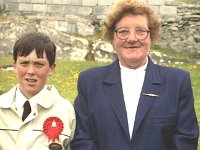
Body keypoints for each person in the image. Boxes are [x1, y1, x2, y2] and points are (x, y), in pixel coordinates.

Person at [70, 0, 199, 149]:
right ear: (113, 37)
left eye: (140, 31)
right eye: (123, 31)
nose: (132, 38)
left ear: (151, 36)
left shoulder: (177, 82)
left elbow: (185, 140)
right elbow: (82, 138)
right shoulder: (89, 81)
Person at [0, 32, 76, 150]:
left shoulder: (65, 111)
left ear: (51, 68)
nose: (31, 71)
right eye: (24, 63)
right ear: (14, 66)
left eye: (39, 64)